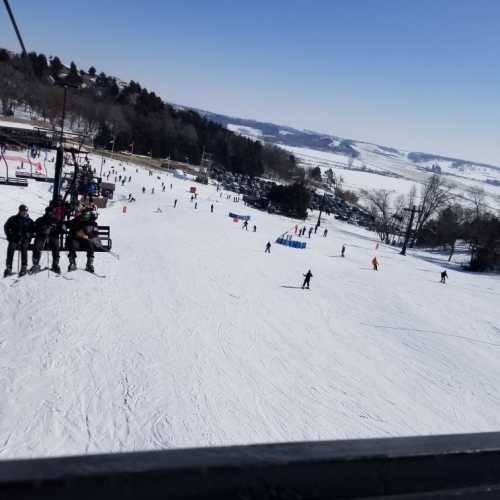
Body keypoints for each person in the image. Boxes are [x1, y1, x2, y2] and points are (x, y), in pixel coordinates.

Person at [30, 207, 64, 274]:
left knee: (56, 245)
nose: (50, 213)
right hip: (41, 236)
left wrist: (54, 229)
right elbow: (35, 228)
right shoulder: (40, 220)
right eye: (49, 212)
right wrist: (43, 230)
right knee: (37, 245)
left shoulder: (56, 220)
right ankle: (35, 264)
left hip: (53, 237)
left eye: (51, 212)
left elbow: (61, 229)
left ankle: (55, 264)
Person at [3, 204, 34, 277]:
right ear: (19, 211)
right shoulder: (13, 219)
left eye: (25, 211)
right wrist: (10, 236)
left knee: (24, 247)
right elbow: (6, 227)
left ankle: (24, 267)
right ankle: (9, 267)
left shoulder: (29, 221)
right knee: (11, 247)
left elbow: (33, 230)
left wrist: (29, 235)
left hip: (25, 239)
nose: (24, 213)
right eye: (22, 211)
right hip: (15, 239)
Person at [67, 209, 100, 273]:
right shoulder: (77, 221)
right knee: (72, 244)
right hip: (76, 240)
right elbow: (71, 229)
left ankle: (89, 264)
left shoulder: (92, 223)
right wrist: (77, 233)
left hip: (85, 241)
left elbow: (95, 233)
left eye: (86, 215)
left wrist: (88, 236)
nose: (85, 216)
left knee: (90, 244)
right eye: (84, 215)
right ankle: (72, 263)